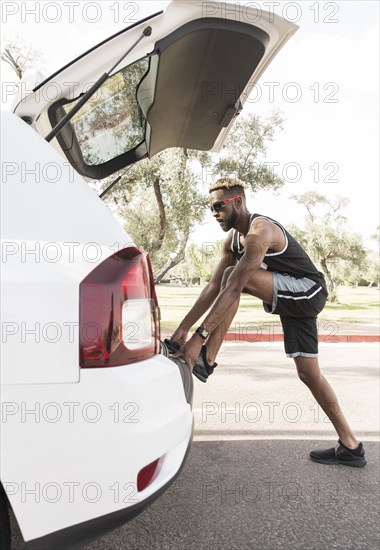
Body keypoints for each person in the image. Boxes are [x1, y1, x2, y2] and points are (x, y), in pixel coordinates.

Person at [169, 177, 367, 467]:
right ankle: (351, 446)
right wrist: (183, 329)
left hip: (309, 291)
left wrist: (198, 339)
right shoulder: (232, 241)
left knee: (233, 277)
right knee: (309, 374)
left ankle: (207, 358)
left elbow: (234, 287)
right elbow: (212, 287)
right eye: (210, 208)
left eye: (218, 207)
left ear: (237, 202)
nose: (214, 213)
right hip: (291, 297)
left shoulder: (261, 231)